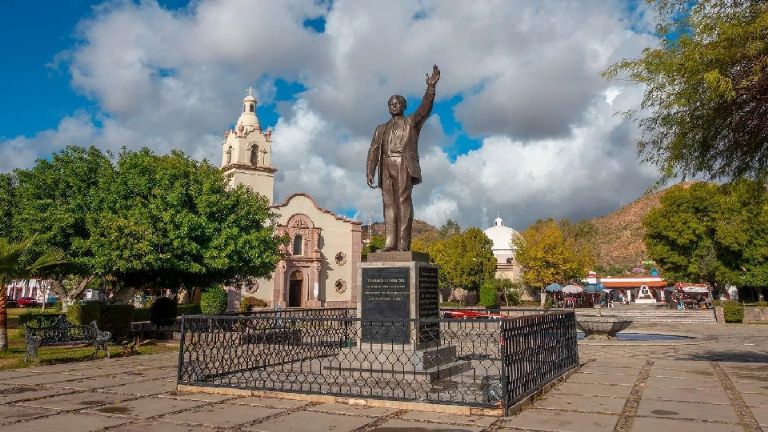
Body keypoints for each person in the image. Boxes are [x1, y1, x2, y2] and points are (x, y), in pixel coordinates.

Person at [367, 65, 440, 251]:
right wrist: (370, 171)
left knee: (403, 202)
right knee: (388, 205)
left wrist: (430, 88)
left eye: (396, 103)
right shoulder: (380, 128)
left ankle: (403, 244)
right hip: (385, 166)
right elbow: (374, 150)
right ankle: (390, 243)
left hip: (403, 164)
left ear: (403, 106)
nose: (393, 106)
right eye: (390, 103)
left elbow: (424, 109)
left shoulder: (411, 122)